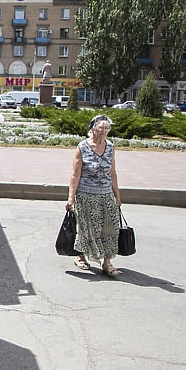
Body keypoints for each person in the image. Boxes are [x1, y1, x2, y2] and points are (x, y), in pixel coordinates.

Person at [66, 114, 122, 276]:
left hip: (106, 194)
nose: (104, 131)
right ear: (92, 129)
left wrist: (117, 196)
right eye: (101, 128)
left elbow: (112, 173)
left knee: (110, 227)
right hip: (85, 194)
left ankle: (107, 262)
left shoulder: (110, 147)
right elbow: (75, 175)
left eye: (107, 128)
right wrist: (71, 198)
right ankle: (81, 256)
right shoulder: (83, 147)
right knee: (87, 228)